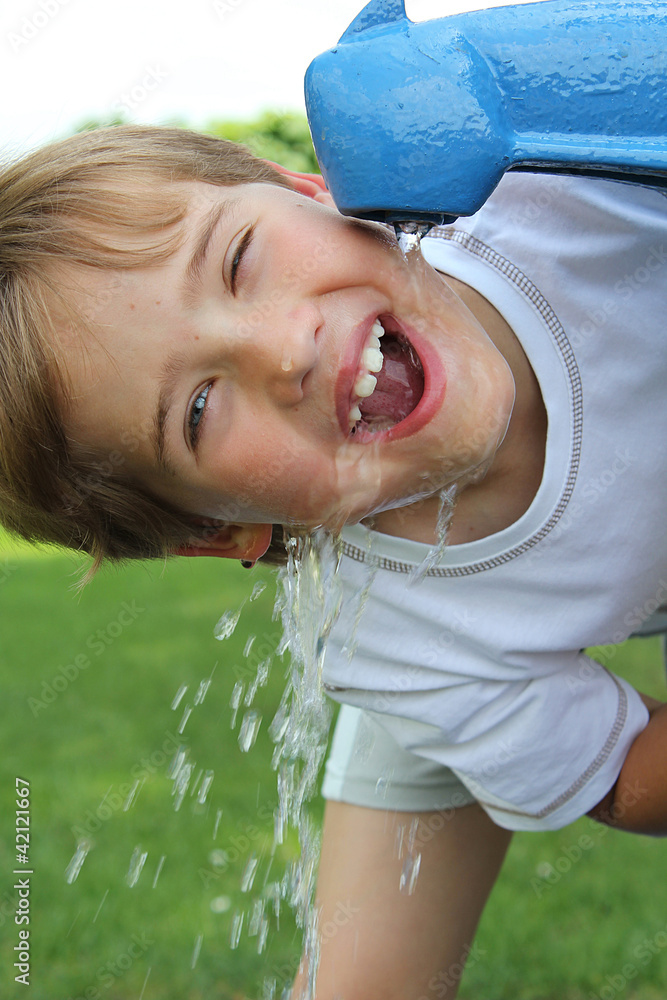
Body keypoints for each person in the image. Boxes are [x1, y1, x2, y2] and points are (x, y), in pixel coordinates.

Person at [1, 124, 665, 998]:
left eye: (237, 258)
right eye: (199, 409)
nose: (285, 348)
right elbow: (620, 775)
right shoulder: (384, 645)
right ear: (218, 530)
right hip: (428, 627)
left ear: (309, 186)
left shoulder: (551, 187)